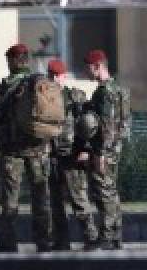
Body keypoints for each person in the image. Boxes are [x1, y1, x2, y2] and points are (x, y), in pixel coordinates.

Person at [0, 43, 54, 252]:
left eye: (9, 59)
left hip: (13, 151)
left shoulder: (8, 84)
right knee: (40, 196)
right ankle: (44, 241)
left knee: (10, 198)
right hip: (39, 149)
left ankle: (8, 242)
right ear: (27, 61)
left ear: (13, 61)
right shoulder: (40, 82)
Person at [47, 58, 99, 251]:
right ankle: (61, 240)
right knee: (55, 203)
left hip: (71, 155)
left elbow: (89, 124)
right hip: (51, 156)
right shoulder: (44, 98)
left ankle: (91, 238)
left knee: (79, 199)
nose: (53, 79)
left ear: (63, 76)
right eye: (51, 75)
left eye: (56, 75)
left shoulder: (76, 96)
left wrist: (85, 149)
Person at [84, 49, 130, 251]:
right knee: (111, 191)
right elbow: (125, 123)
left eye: (89, 68)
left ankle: (108, 236)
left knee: (104, 192)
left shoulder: (104, 92)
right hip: (116, 147)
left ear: (98, 66)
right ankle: (115, 235)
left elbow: (107, 125)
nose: (88, 72)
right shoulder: (121, 89)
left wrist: (100, 153)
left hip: (105, 149)